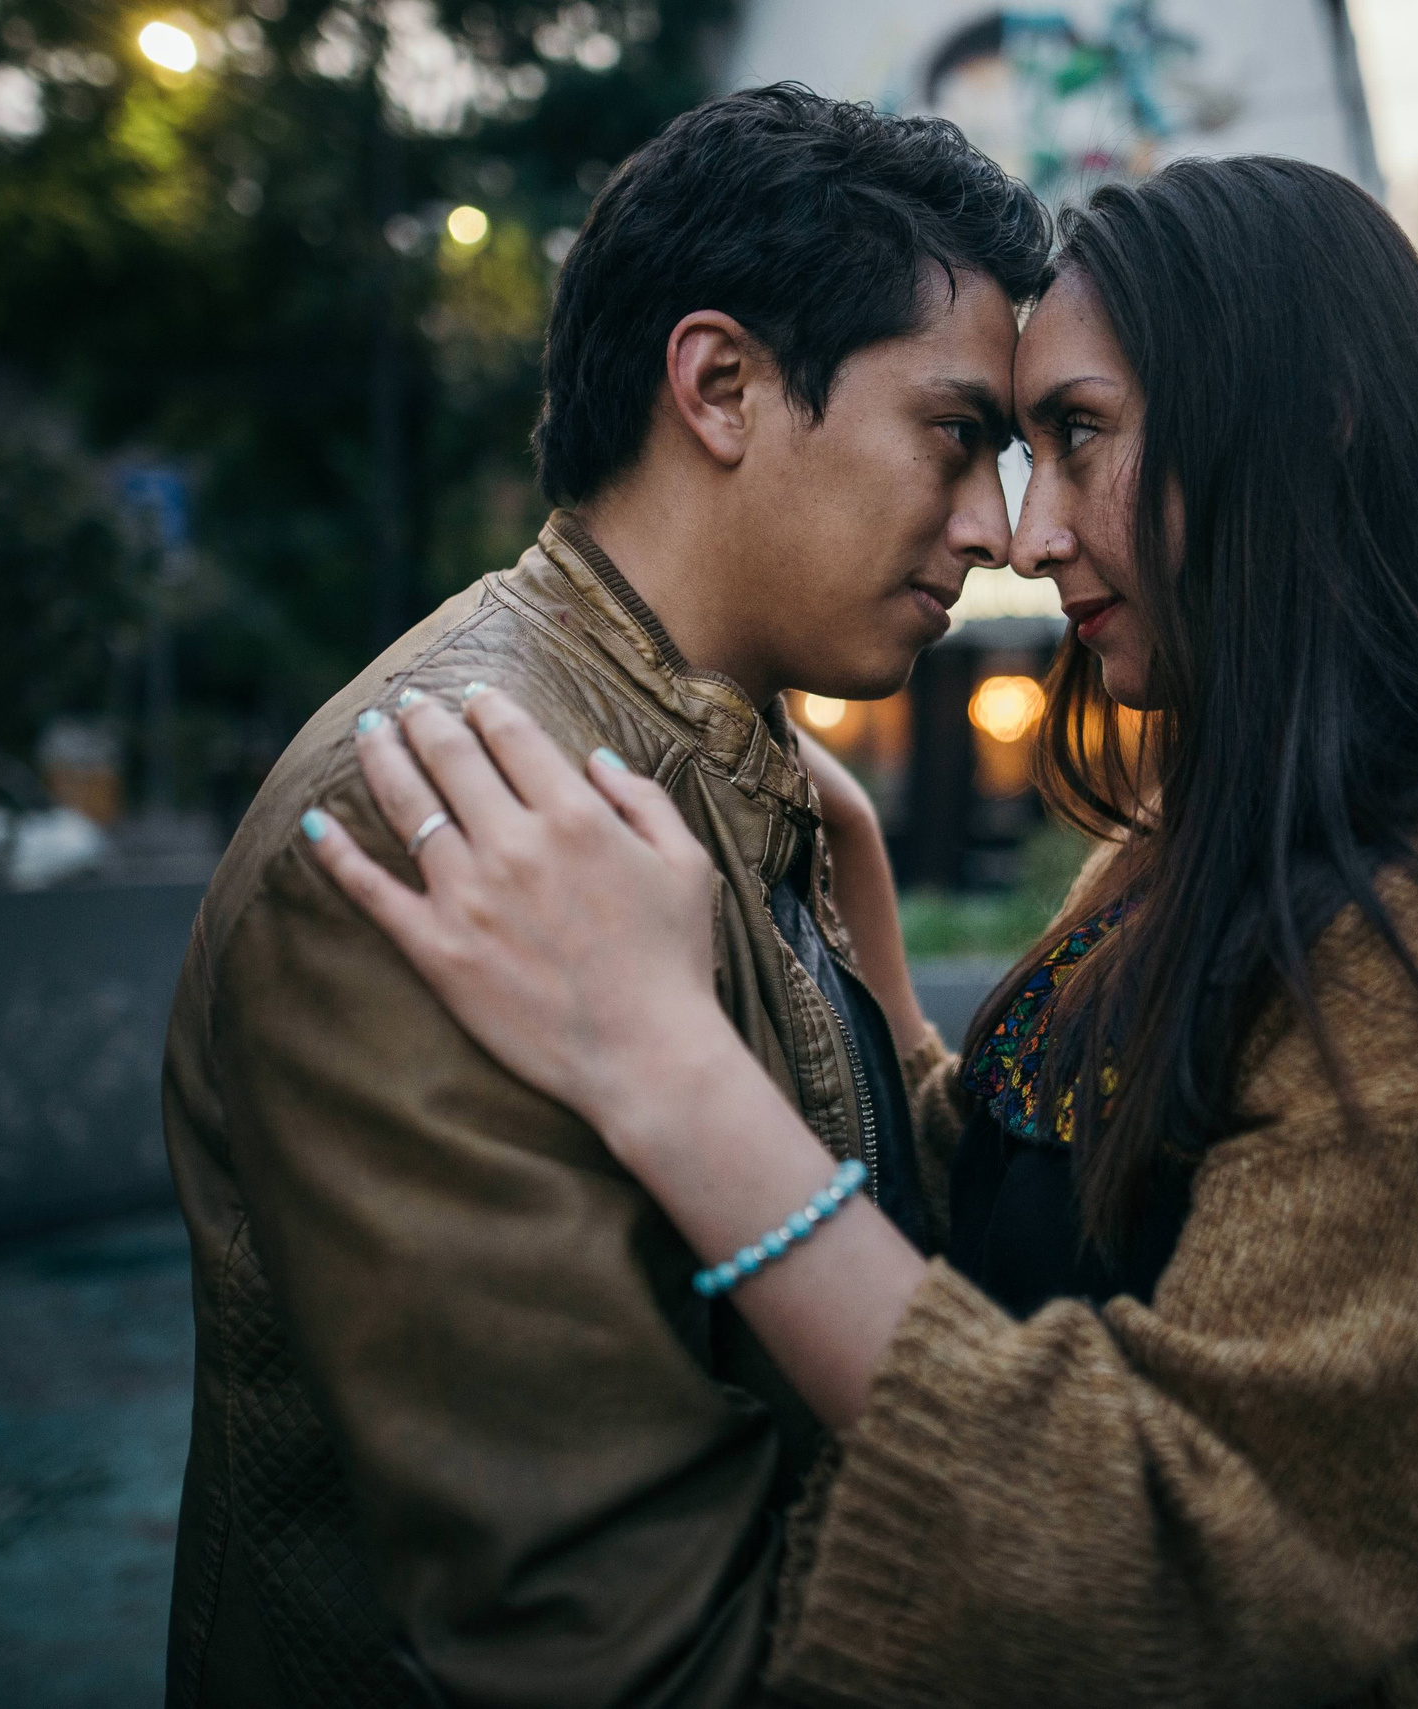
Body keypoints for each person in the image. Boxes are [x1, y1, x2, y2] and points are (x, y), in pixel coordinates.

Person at [312, 156, 1418, 1707]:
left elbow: (1202, 1574)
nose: (1026, 532)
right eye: (1000, 439)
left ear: (1305, 414)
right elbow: (1032, 1227)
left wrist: (662, 1059)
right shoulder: (1199, 827)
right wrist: (857, 933)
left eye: (1077, 437)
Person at [158, 85, 1047, 1706]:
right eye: (957, 433)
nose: (997, 531)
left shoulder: (723, 746)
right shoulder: (449, 815)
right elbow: (621, 1646)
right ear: (718, 385)